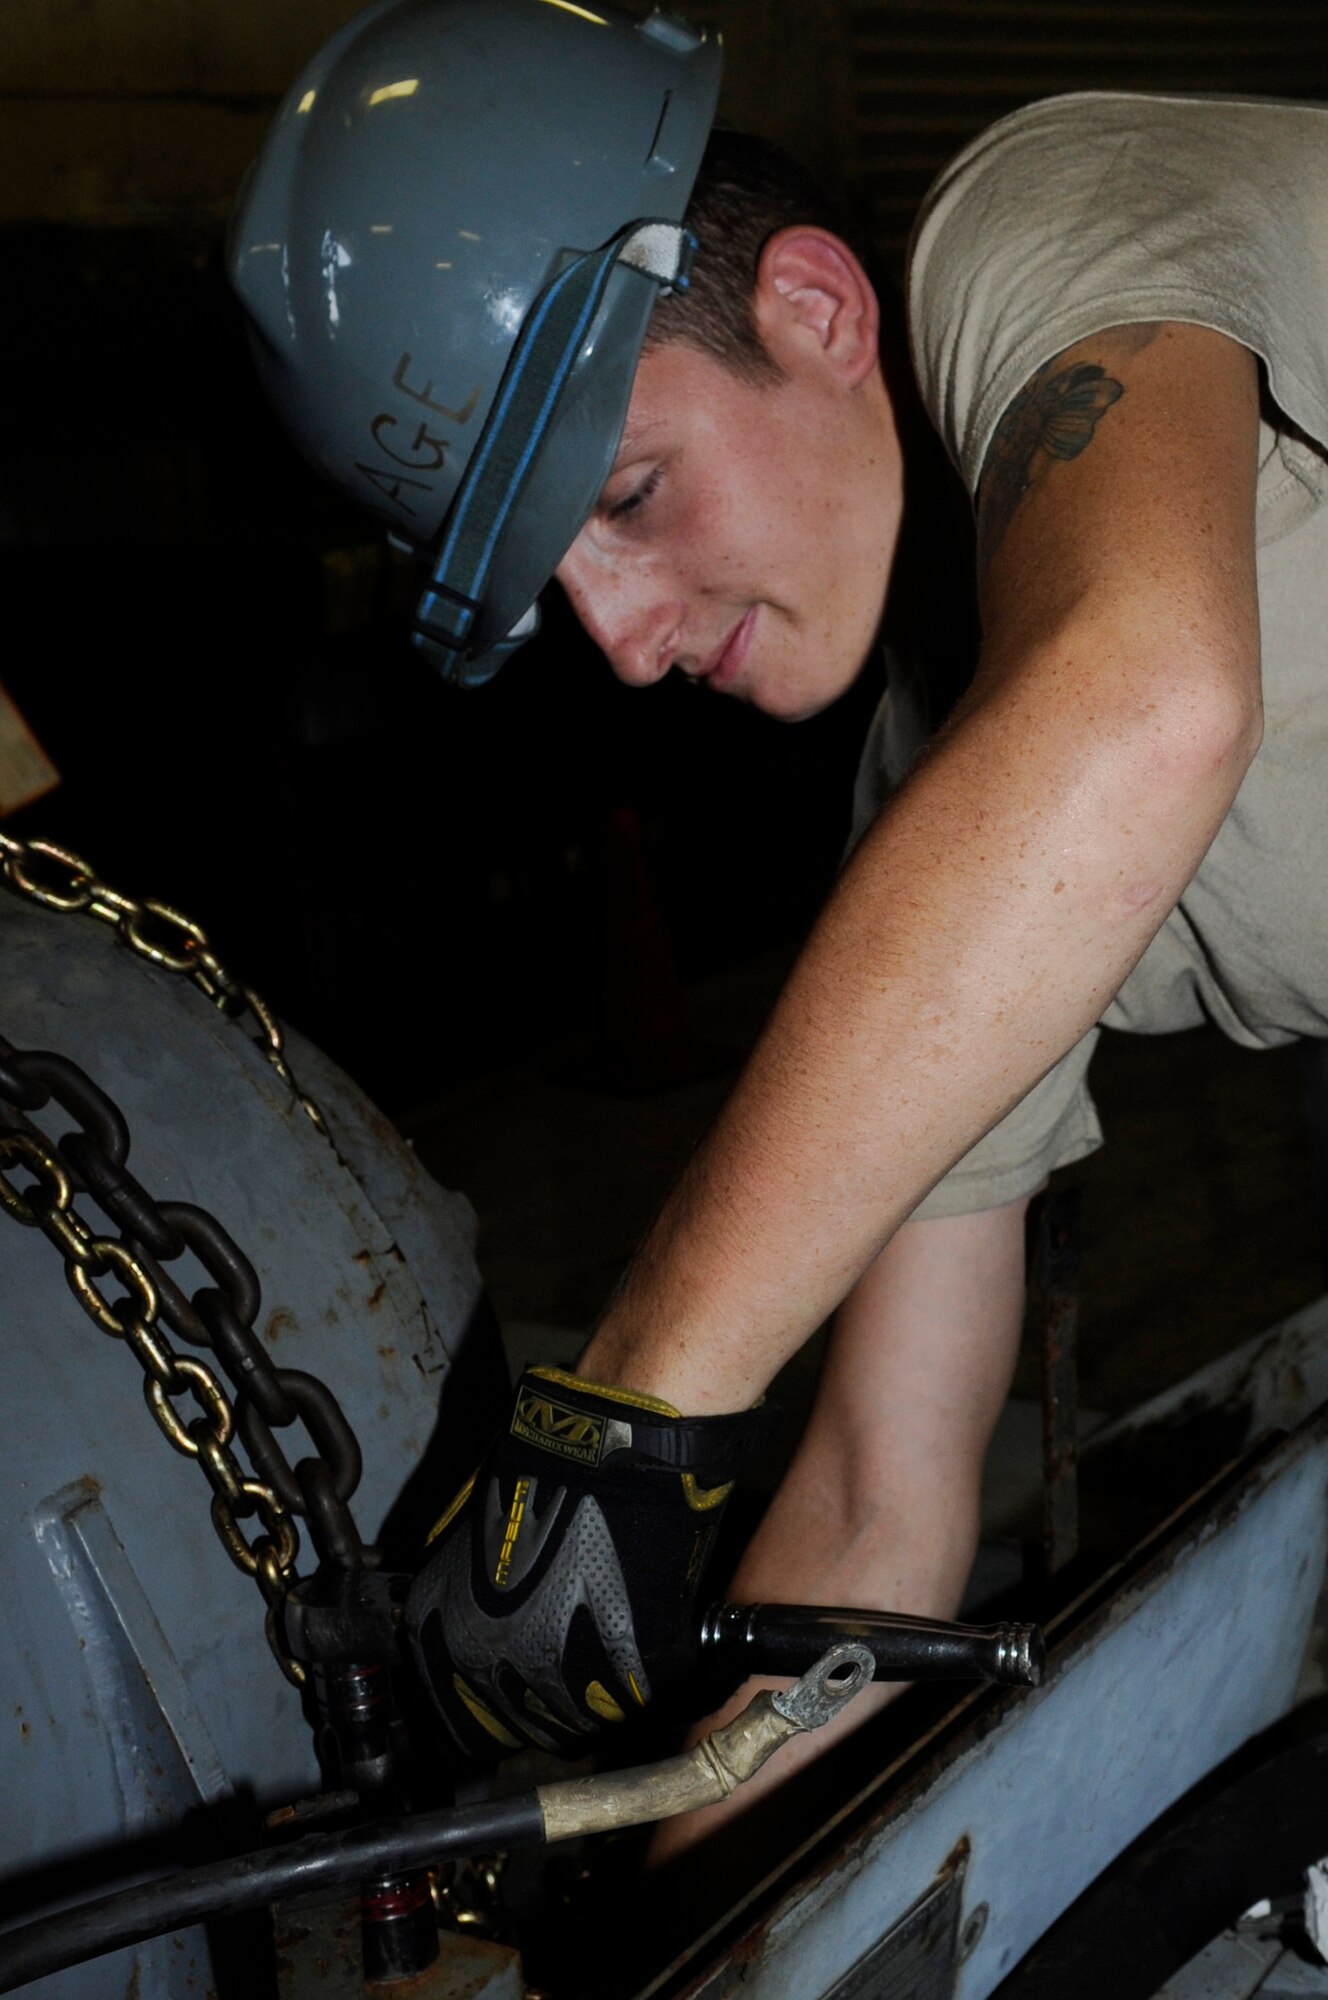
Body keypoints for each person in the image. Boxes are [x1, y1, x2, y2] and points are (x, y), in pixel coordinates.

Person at [231, 0, 1328, 1843]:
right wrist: (666, 1878)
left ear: (816, 313)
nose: (629, 640)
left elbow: (1143, 695)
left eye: (633, 500)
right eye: (561, 590)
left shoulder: (1035, 220)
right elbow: (883, 1502)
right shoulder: (950, 832)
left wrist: (633, 1392)